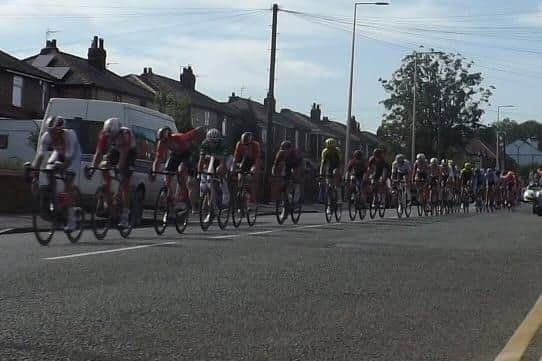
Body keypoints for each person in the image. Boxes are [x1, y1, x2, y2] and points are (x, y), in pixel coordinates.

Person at [30, 116, 81, 231]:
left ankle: (72, 219)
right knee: (49, 171)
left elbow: (68, 158)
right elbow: (40, 155)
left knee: (68, 182)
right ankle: (55, 205)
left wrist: (62, 168)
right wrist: (34, 171)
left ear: (61, 130)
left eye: (55, 132)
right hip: (58, 152)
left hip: (73, 156)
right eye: (50, 132)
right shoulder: (47, 135)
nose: (52, 135)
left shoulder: (70, 136)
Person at [89, 117, 136, 228]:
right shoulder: (104, 134)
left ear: (117, 132)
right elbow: (98, 153)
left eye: (112, 136)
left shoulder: (125, 133)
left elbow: (124, 155)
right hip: (115, 150)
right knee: (104, 165)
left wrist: (120, 170)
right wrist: (92, 168)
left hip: (129, 153)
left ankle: (125, 214)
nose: (110, 137)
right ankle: (108, 190)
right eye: (109, 136)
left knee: (124, 183)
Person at [151, 126, 204, 210]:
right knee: (167, 174)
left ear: (170, 137)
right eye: (163, 141)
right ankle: (170, 196)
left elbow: (190, 134)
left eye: (167, 141)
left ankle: (182, 195)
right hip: (175, 155)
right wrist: (154, 172)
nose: (165, 143)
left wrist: (198, 129)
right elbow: (158, 159)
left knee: (181, 169)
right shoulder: (161, 143)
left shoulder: (179, 138)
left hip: (186, 154)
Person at [197, 128, 231, 213]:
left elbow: (223, 163)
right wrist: (199, 173)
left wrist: (221, 170)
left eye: (215, 142)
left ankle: (226, 197)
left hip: (227, 158)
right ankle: (210, 199)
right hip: (213, 157)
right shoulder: (204, 144)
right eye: (210, 142)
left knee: (220, 172)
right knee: (207, 174)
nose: (212, 144)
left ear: (218, 141)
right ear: (207, 140)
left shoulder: (223, 144)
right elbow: (201, 160)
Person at [232, 132, 261, 209]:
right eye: (244, 144)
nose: (245, 146)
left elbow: (257, 160)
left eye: (247, 144)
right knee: (240, 178)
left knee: (251, 181)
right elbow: (235, 158)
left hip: (253, 161)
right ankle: (240, 195)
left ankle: (252, 201)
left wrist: (254, 169)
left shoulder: (255, 145)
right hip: (244, 161)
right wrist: (233, 169)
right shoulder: (239, 144)